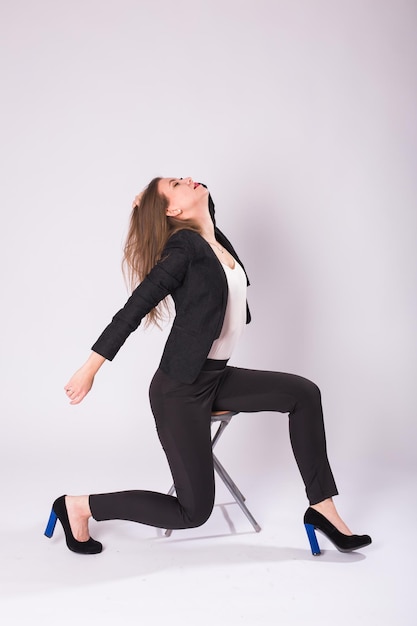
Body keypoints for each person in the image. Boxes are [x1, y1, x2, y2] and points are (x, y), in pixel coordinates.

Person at [44, 177, 372, 556]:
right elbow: (133, 309)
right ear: (174, 210)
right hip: (178, 391)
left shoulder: (214, 240)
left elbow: (206, 215)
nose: (188, 179)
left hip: (215, 378)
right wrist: (90, 369)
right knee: (193, 511)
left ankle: (322, 509)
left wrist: (151, 203)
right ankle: (78, 506)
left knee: (303, 394)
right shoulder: (183, 248)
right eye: (176, 184)